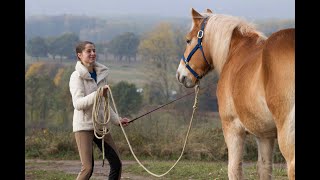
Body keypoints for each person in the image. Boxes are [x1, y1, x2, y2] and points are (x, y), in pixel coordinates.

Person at [69, 40, 130, 180]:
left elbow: (104, 103)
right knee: (87, 168)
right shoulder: (76, 77)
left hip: (101, 126)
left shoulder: (101, 75)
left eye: (94, 50)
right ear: (79, 55)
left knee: (117, 164)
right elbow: (78, 104)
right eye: (88, 51)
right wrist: (98, 94)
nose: (93, 53)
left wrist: (117, 120)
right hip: (83, 127)